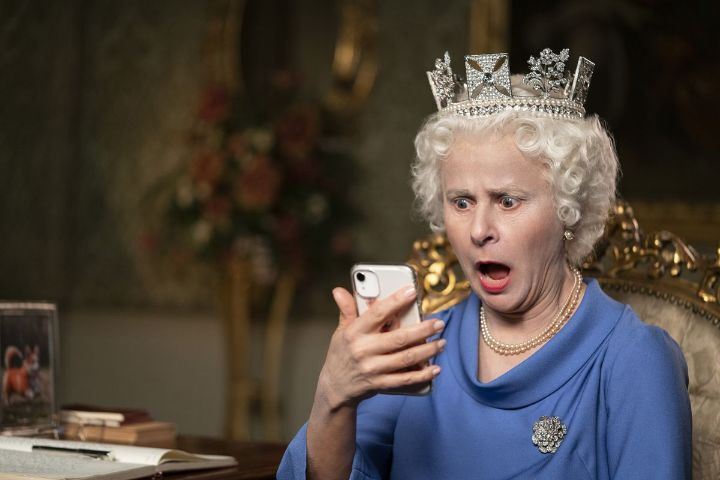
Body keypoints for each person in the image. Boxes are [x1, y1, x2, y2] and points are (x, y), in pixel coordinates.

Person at [278, 48, 692, 479]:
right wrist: (332, 398)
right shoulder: (416, 349)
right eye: (461, 201)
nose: (478, 230)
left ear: (569, 209)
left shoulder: (634, 360)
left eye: (507, 200)